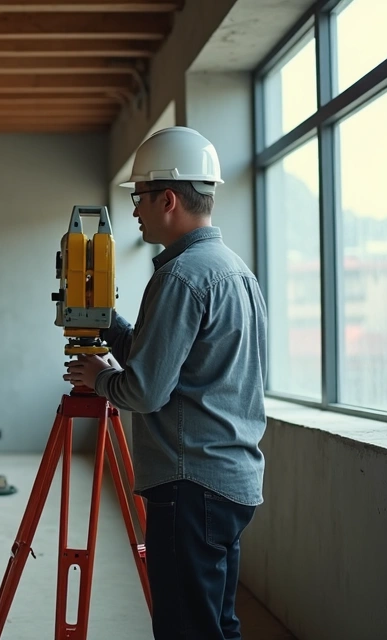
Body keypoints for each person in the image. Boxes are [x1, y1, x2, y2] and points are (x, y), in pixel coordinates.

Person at [63, 126, 268, 640]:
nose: (134, 209)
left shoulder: (179, 277)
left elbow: (146, 390)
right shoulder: (233, 270)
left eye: (139, 197)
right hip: (228, 479)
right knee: (217, 624)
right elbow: (175, 362)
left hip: (189, 483)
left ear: (168, 199)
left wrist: (101, 377)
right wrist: (106, 320)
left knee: (185, 629)